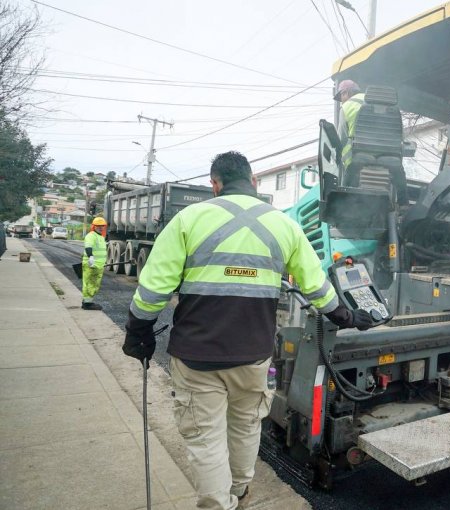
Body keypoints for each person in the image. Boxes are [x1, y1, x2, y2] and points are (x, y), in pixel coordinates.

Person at [122, 151, 374, 510]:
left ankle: (217, 504)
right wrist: (348, 318)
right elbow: (317, 288)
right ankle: (239, 493)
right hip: (253, 356)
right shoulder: (284, 225)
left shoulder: (188, 219)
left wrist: (137, 334)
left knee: (204, 437)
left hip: (197, 358)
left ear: (214, 184)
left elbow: (151, 292)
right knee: (244, 428)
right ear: (253, 181)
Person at [334, 79, 365, 168]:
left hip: (357, 163)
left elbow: (341, 140)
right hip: (389, 161)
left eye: (341, 98)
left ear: (345, 93)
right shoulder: (375, 101)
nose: (341, 102)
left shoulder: (346, 107)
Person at [82, 217, 108, 310]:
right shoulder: (91, 236)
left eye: (102, 226)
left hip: (98, 266)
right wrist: (91, 257)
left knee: (94, 284)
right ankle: (87, 304)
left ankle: (87, 301)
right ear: (94, 226)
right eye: (98, 226)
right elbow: (88, 247)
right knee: (89, 283)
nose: (100, 228)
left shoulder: (101, 237)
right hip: (91, 264)